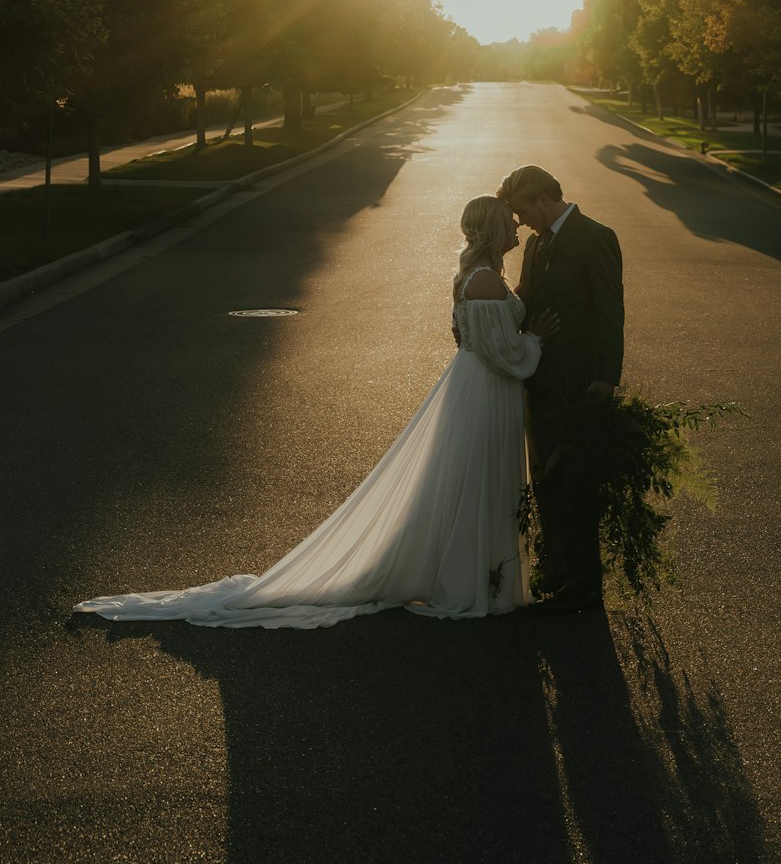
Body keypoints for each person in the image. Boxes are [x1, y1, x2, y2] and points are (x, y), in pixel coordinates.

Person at [74, 196, 557, 629]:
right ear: (493, 230)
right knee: (476, 480)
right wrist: (534, 338)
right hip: (486, 388)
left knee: (471, 481)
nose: (517, 229)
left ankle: (479, 578)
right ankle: (472, 586)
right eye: (510, 223)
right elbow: (501, 353)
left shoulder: (472, 276)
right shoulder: (487, 281)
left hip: (475, 386)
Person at [497, 165, 624, 614]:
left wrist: (606, 377)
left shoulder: (596, 237)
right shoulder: (535, 245)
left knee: (578, 481)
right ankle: (557, 567)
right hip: (539, 378)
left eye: (522, 211)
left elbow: (611, 310)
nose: (520, 222)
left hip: (579, 381)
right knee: (546, 478)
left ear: (544, 200)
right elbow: (527, 297)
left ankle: (586, 583)